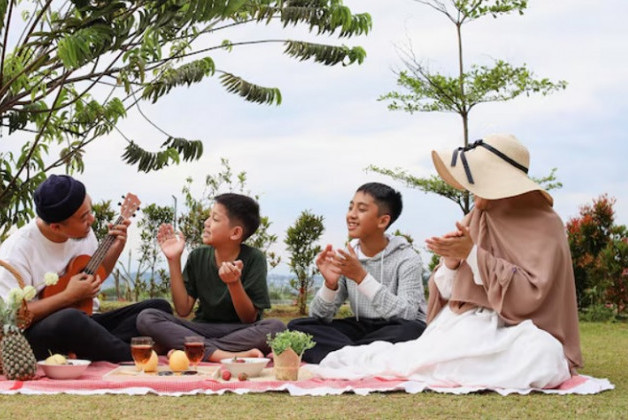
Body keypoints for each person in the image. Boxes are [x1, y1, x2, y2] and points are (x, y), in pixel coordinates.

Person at [311, 134, 583, 389]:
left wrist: (473, 255)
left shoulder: (545, 225)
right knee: (436, 350)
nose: (471, 190)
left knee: (544, 357)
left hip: (523, 328)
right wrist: (452, 263)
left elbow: (533, 295)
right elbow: (451, 295)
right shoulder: (475, 220)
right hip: (471, 323)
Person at [0, 174, 172, 362]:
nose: (92, 219)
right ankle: (132, 354)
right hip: (37, 335)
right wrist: (68, 296)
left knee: (157, 308)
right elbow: (12, 316)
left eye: (90, 211)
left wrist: (116, 248)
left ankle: (94, 350)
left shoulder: (83, 232)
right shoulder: (16, 250)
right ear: (56, 227)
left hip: (87, 323)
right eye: (84, 217)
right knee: (70, 319)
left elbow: (95, 274)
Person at [287, 182, 427, 364]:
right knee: (297, 327)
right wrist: (330, 286)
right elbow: (320, 317)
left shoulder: (407, 258)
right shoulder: (348, 256)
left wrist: (361, 277)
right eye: (350, 207)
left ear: (383, 221)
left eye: (361, 209)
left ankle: (346, 356)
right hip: (362, 329)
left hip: (395, 328)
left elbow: (407, 314)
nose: (351, 215)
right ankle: (366, 357)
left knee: (412, 330)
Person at [136, 193, 286, 362]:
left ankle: (193, 348)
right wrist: (173, 260)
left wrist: (234, 283)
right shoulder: (197, 256)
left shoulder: (254, 258)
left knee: (276, 328)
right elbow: (183, 309)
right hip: (200, 328)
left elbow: (249, 317)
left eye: (214, 219)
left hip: (240, 331)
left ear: (235, 233)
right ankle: (223, 354)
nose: (206, 223)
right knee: (147, 317)